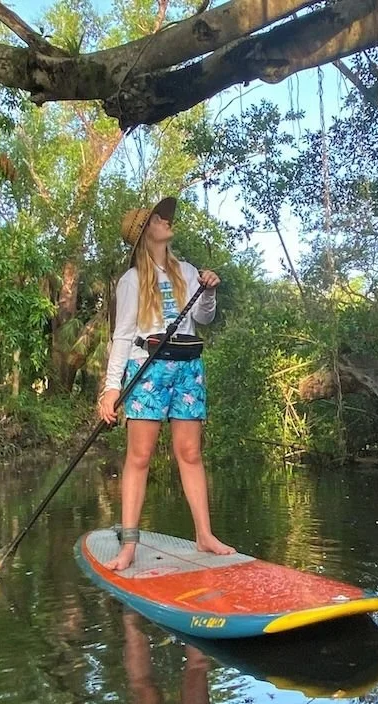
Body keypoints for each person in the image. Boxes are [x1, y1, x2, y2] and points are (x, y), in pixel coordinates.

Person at [98, 196, 234, 571]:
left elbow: (204, 318)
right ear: (146, 233)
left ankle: (204, 535)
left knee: (190, 453)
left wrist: (208, 290)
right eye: (159, 219)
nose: (166, 222)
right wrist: (112, 388)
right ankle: (128, 546)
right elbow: (122, 335)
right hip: (148, 369)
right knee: (139, 457)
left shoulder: (187, 270)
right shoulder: (131, 280)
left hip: (188, 368)